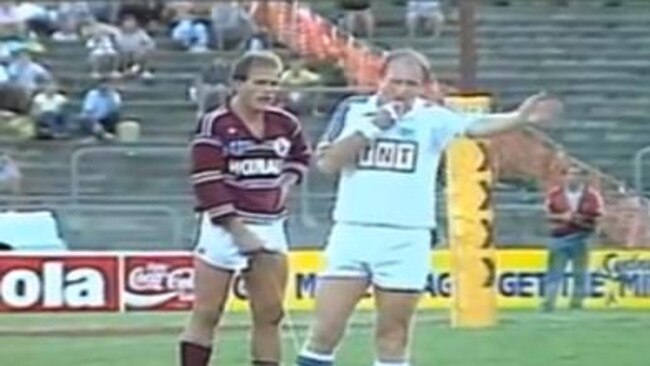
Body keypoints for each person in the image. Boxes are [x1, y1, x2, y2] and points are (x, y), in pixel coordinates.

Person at [295, 49, 562, 366]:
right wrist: (375, 126)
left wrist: (518, 118)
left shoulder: (431, 118)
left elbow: (475, 125)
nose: (402, 91)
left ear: (424, 87)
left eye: (411, 84)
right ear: (380, 80)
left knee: (393, 334)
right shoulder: (354, 110)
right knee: (326, 330)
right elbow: (329, 163)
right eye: (395, 82)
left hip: (407, 238)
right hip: (353, 232)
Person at [179, 51, 312, 366]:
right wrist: (238, 230)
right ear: (238, 84)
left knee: (270, 314)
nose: (268, 91)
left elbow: (302, 155)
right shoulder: (215, 124)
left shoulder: (285, 123)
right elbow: (207, 181)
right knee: (208, 312)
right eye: (260, 83)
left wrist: (288, 181)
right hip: (223, 226)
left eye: (274, 84)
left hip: (270, 224)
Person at [542, 165, 604, 312]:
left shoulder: (592, 196)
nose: (573, 177)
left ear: (583, 178)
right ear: (564, 177)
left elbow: (599, 216)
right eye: (570, 174)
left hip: (581, 237)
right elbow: (545, 215)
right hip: (559, 238)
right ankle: (549, 302)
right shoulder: (554, 195)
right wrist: (561, 217)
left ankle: (576, 303)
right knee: (554, 272)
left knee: (580, 272)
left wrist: (584, 221)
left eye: (577, 175)